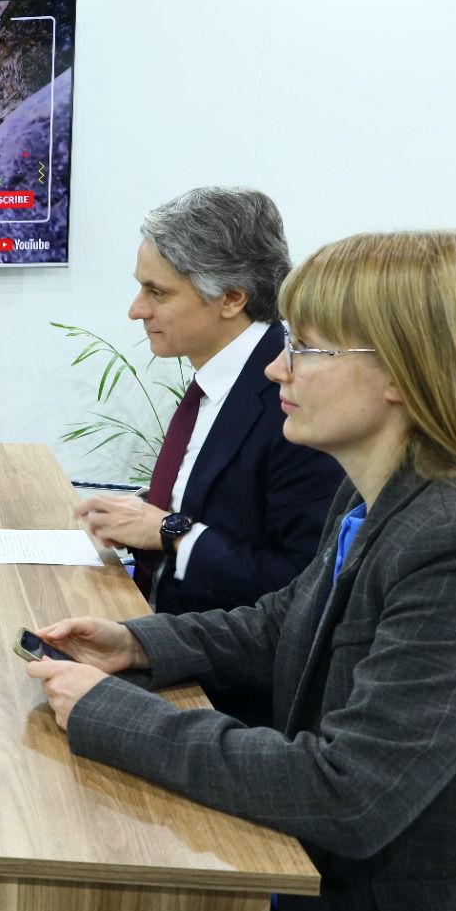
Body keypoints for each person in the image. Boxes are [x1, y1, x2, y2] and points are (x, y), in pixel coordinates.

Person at [29, 230, 456, 911]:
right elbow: (285, 622)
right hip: (351, 898)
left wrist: (111, 713)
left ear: (403, 372)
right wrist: (138, 643)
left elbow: (347, 792)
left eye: (306, 348)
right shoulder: (373, 496)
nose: (277, 366)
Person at [76, 187, 343, 618]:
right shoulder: (221, 376)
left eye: (157, 292)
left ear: (232, 298)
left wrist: (170, 532)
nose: (136, 310)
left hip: (214, 653)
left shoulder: (294, 401)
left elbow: (301, 585)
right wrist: (149, 511)